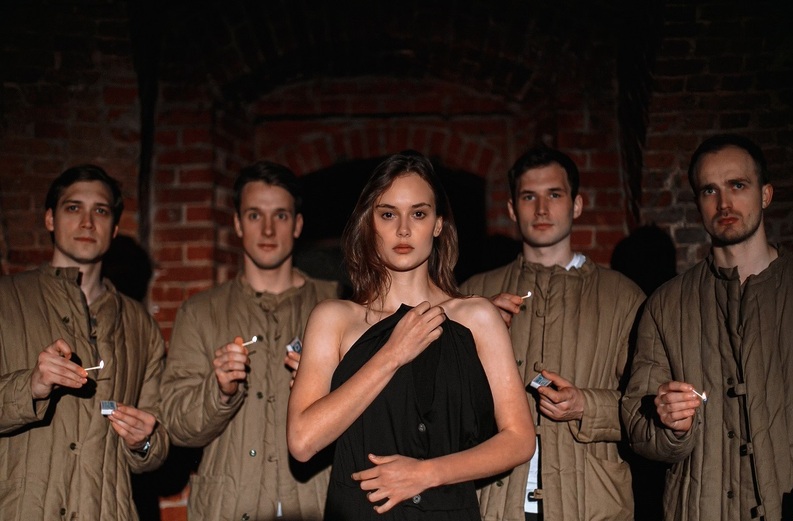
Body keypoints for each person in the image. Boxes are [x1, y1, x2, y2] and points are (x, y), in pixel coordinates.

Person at [287, 150, 535, 520]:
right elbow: (303, 441)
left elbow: (519, 439)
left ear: (437, 224)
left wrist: (425, 474)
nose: (403, 229)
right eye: (388, 214)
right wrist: (391, 355)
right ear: (370, 223)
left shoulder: (477, 317)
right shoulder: (334, 319)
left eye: (418, 214)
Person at [621, 134, 793, 521]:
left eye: (737, 185)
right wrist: (670, 424)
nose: (724, 203)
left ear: (766, 194)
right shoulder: (665, 304)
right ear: (698, 203)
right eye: (710, 190)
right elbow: (639, 429)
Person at [461, 145, 645, 521]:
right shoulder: (473, 293)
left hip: (590, 505)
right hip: (492, 505)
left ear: (576, 205)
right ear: (512, 208)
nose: (542, 209)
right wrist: (471, 330)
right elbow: (439, 408)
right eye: (529, 197)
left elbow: (646, 409)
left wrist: (586, 405)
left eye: (554, 195)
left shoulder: (624, 296)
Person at [160, 161, 340, 520]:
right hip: (228, 508)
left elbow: (370, 416)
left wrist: (327, 386)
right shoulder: (200, 312)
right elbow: (176, 427)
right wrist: (220, 391)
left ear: (298, 224)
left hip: (315, 503)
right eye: (255, 215)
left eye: (281, 216)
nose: (268, 229)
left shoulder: (335, 303)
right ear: (239, 224)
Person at [0, 164, 168, 519]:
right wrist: (29, 386)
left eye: (101, 211)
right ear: (50, 218)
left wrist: (144, 441)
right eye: (74, 207)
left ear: (115, 228)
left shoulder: (141, 325)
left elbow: (156, 444)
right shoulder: (6, 299)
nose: (88, 222)